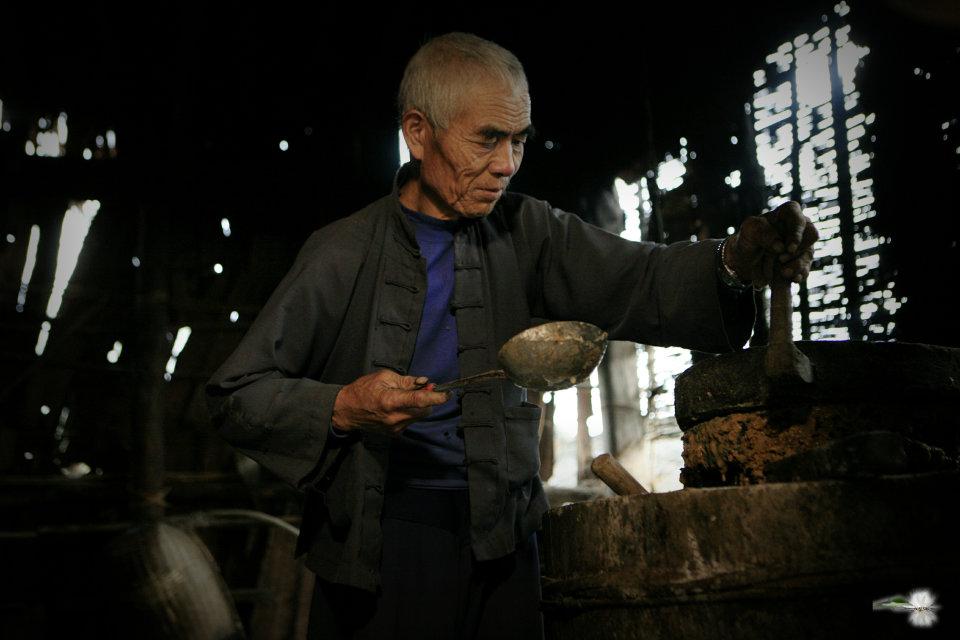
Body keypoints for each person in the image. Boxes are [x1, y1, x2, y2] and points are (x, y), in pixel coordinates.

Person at [206, 32, 817, 639]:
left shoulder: (529, 231)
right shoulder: (342, 252)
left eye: (518, 140)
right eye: (487, 139)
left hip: (505, 539)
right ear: (418, 132)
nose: (506, 164)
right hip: (383, 546)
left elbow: (644, 278)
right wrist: (342, 406)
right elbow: (236, 394)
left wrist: (735, 261)